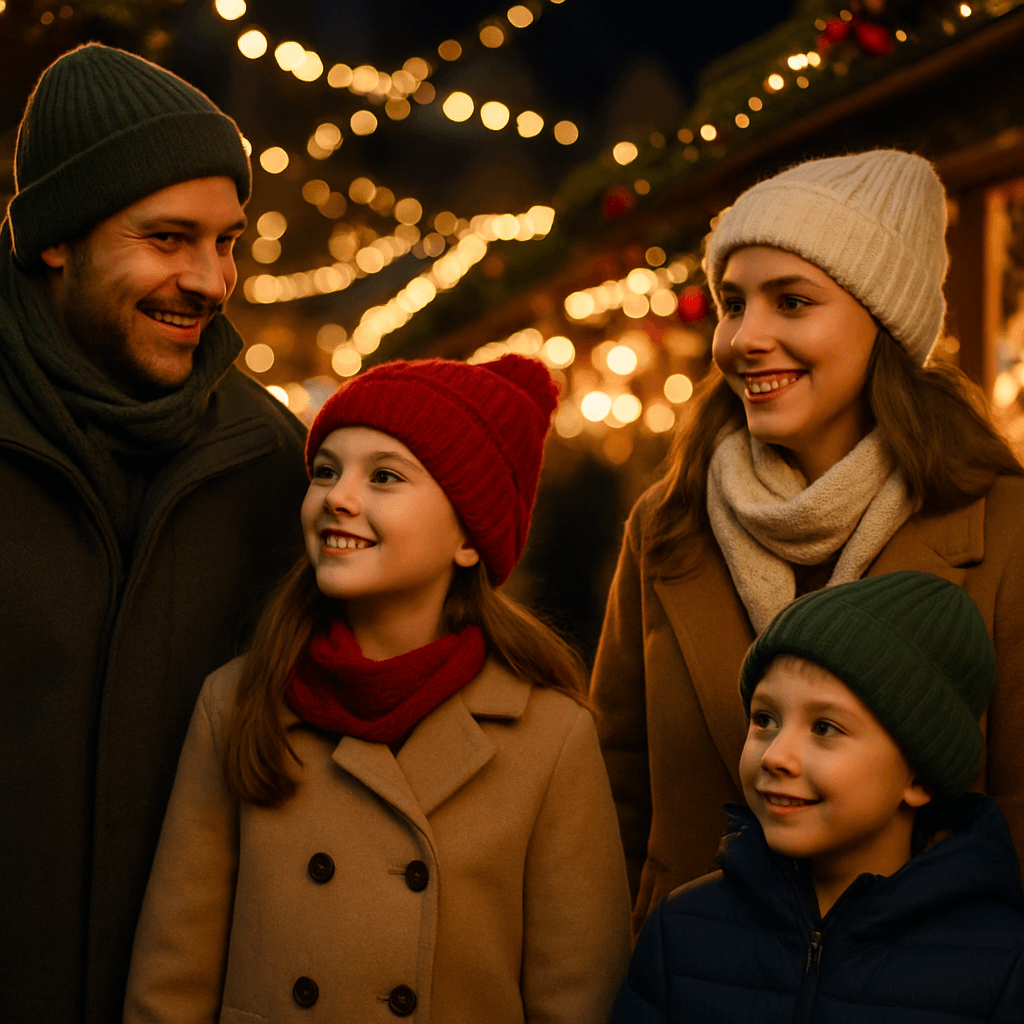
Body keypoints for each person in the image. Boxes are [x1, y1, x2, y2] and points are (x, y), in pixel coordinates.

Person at [590, 148, 1024, 936]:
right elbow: (616, 786)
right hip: (691, 980)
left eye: (791, 302)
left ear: (883, 321)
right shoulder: (669, 523)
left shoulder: (1003, 527)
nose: (743, 338)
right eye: (732, 302)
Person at [123, 355, 633, 1024]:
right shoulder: (238, 702)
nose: (338, 495)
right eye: (325, 471)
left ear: (470, 537)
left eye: (385, 476)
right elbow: (171, 983)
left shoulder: (550, 737)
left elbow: (578, 1001)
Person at [0, 44, 308, 1024]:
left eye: (226, 241)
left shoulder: (271, 463)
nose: (212, 278)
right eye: (170, 238)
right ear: (57, 238)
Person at [611, 571, 1024, 1022]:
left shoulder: (1002, 963)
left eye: (825, 728)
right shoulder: (682, 929)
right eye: (765, 719)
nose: (776, 756)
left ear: (920, 778)